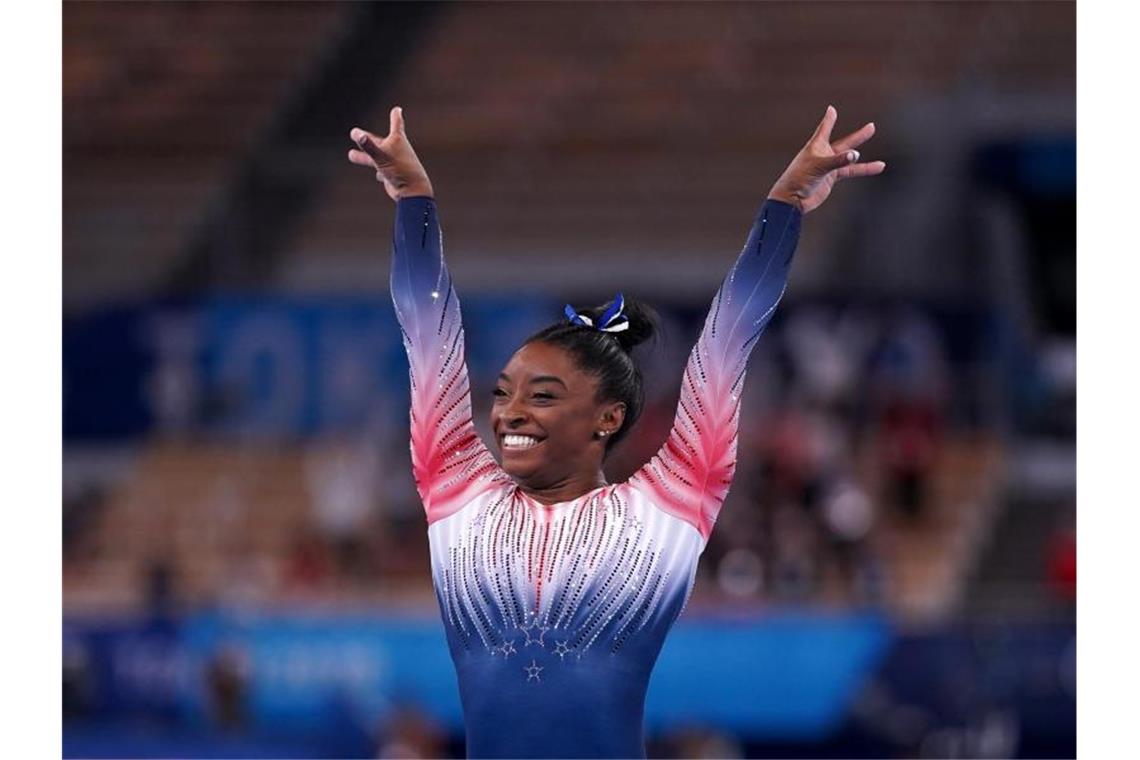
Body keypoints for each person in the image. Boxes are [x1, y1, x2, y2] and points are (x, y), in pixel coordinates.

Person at [347, 105, 884, 759]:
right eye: (505, 393)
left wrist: (786, 205)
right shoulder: (458, 490)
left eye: (542, 396)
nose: (510, 412)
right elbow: (427, 332)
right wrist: (413, 201)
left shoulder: (667, 506)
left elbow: (727, 342)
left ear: (608, 419)